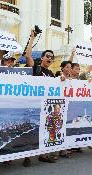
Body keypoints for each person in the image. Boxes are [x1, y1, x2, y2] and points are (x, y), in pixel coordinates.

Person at [25, 30, 56, 164]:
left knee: (44, 129)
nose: (49, 58)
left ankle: (43, 155)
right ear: (42, 57)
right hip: (34, 105)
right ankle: (27, 156)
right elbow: (27, 56)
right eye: (47, 56)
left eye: (51, 57)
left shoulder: (50, 73)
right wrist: (32, 38)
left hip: (46, 107)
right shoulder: (35, 68)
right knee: (32, 131)